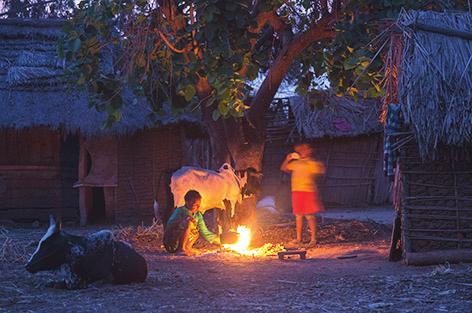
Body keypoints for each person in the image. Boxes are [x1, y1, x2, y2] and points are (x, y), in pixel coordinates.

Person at [280, 142, 325, 248]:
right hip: (296, 191)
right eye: (301, 150)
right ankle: (299, 239)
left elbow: (321, 170)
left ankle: (313, 239)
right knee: (298, 216)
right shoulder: (296, 163)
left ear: (309, 151)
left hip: (308, 191)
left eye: (305, 150)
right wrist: (288, 159)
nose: (302, 152)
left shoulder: (311, 163)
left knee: (309, 216)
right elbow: (283, 168)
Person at [163, 190, 220, 256]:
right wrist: (188, 220)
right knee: (189, 223)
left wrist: (218, 240)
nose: (198, 207)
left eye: (199, 204)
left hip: (182, 235)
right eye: (195, 204)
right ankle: (180, 249)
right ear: (187, 202)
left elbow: (204, 232)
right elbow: (171, 227)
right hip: (171, 241)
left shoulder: (198, 214)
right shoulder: (180, 210)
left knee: (196, 230)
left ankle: (187, 247)